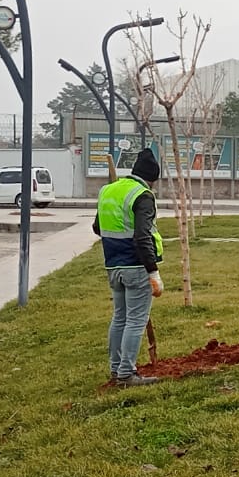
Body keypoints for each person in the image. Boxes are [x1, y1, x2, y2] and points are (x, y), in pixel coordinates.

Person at [94, 148, 166, 387]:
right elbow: (143, 237)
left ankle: (116, 370)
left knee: (120, 318)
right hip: (136, 267)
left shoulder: (108, 190)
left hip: (112, 265)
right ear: (151, 179)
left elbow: (97, 227)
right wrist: (153, 272)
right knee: (136, 320)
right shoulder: (142, 195)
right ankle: (127, 373)